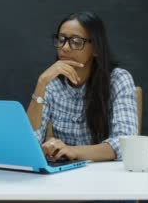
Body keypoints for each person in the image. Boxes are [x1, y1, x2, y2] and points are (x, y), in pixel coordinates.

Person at [27, 11, 138, 162]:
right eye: (61, 39)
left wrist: (73, 151)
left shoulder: (118, 79)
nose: (65, 48)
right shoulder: (51, 83)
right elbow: (29, 142)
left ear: (96, 49)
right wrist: (41, 83)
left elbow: (125, 143)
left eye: (76, 42)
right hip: (63, 177)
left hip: (107, 175)